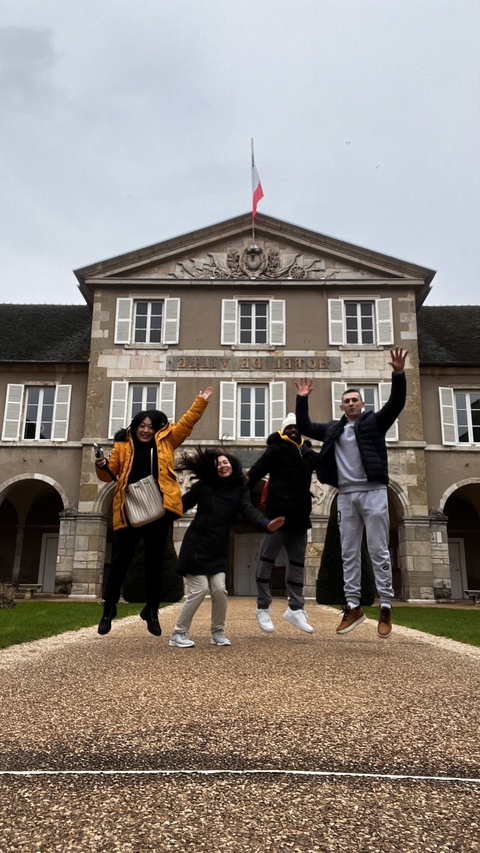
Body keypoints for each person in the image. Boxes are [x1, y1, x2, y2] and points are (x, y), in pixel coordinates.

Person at [295, 347, 408, 639]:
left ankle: (385, 605)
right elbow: (305, 426)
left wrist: (398, 373)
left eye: (355, 400)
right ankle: (354, 606)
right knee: (348, 553)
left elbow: (396, 404)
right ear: (342, 406)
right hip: (346, 495)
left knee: (378, 549)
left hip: (372, 492)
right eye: (346, 401)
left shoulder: (373, 423)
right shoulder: (334, 429)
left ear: (362, 403)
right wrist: (302, 397)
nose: (351, 403)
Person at [95, 388, 213, 636]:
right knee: (120, 562)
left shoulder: (167, 440)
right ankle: (108, 609)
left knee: (155, 563)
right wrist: (102, 465)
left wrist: (200, 402)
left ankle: (151, 610)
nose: (146, 430)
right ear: (135, 426)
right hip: (130, 508)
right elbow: (110, 474)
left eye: (151, 426)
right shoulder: (122, 444)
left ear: (156, 428)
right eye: (142, 425)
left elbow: (186, 424)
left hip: (159, 509)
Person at [169, 448, 285, 648]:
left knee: (220, 590)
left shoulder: (240, 491)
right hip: (196, 546)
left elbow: (249, 511)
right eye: (218, 464)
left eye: (226, 462)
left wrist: (266, 524)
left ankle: (217, 632)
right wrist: (162, 513)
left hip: (217, 550)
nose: (223, 465)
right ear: (214, 469)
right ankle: (178, 633)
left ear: (232, 465)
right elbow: (180, 506)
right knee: (200, 589)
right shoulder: (203, 487)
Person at [246, 413, 318, 634]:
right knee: (266, 561)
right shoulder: (275, 450)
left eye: (296, 427)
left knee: (297, 566)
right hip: (277, 518)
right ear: (282, 431)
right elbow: (253, 474)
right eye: (289, 427)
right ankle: (263, 606)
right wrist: (235, 493)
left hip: (300, 519)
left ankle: (295, 609)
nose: (293, 430)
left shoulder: (308, 453)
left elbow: (327, 471)